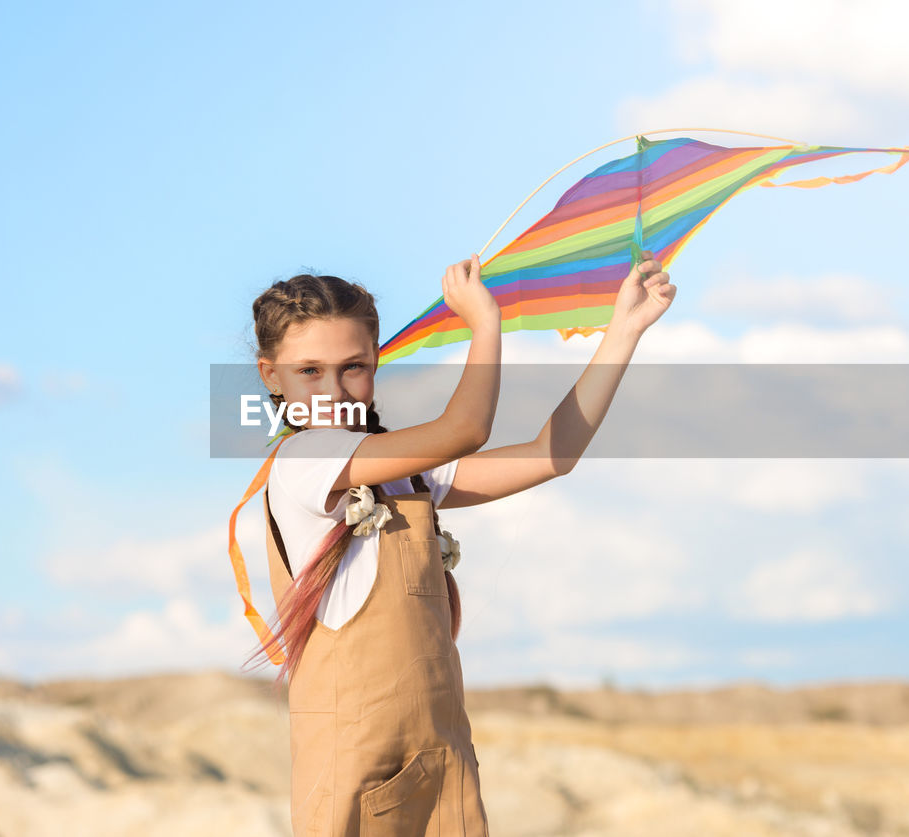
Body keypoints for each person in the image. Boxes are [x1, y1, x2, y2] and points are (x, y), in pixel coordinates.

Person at [244, 251, 674, 835]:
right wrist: (485, 324)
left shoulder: (403, 475)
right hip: (359, 766)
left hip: (439, 752)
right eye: (309, 372)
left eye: (354, 367)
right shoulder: (305, 458)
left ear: (376, 363)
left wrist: (625, 329)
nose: (335, 389)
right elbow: (466, 429)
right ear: (272, 376)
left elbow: (551, 455)